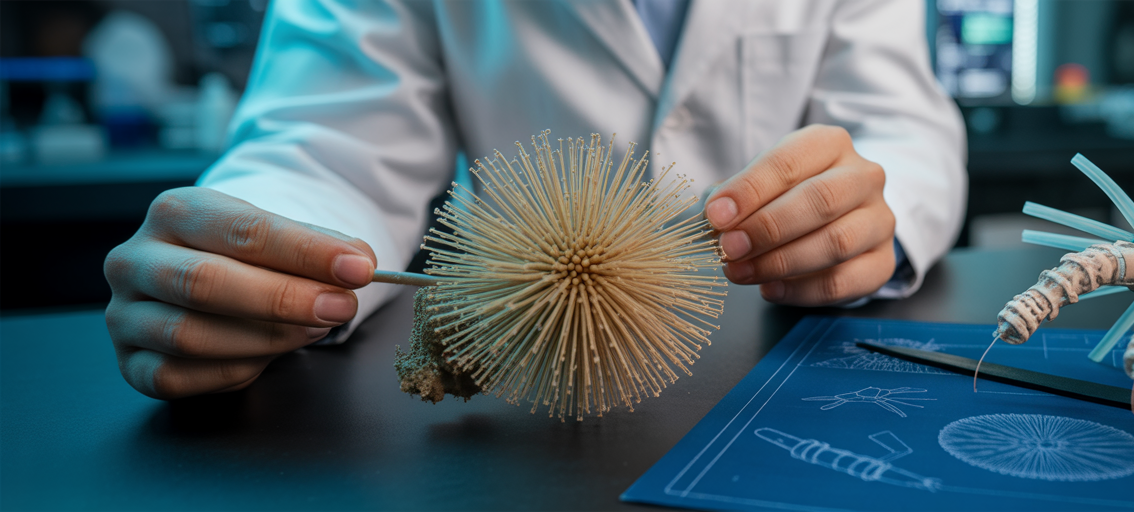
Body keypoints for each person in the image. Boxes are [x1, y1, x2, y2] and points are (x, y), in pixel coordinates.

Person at [103, 0, 966, 399]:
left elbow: (904, 128)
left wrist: (867, 216)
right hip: (524, 369)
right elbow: (329, 142)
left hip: (767, 373)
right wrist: (259, 250)